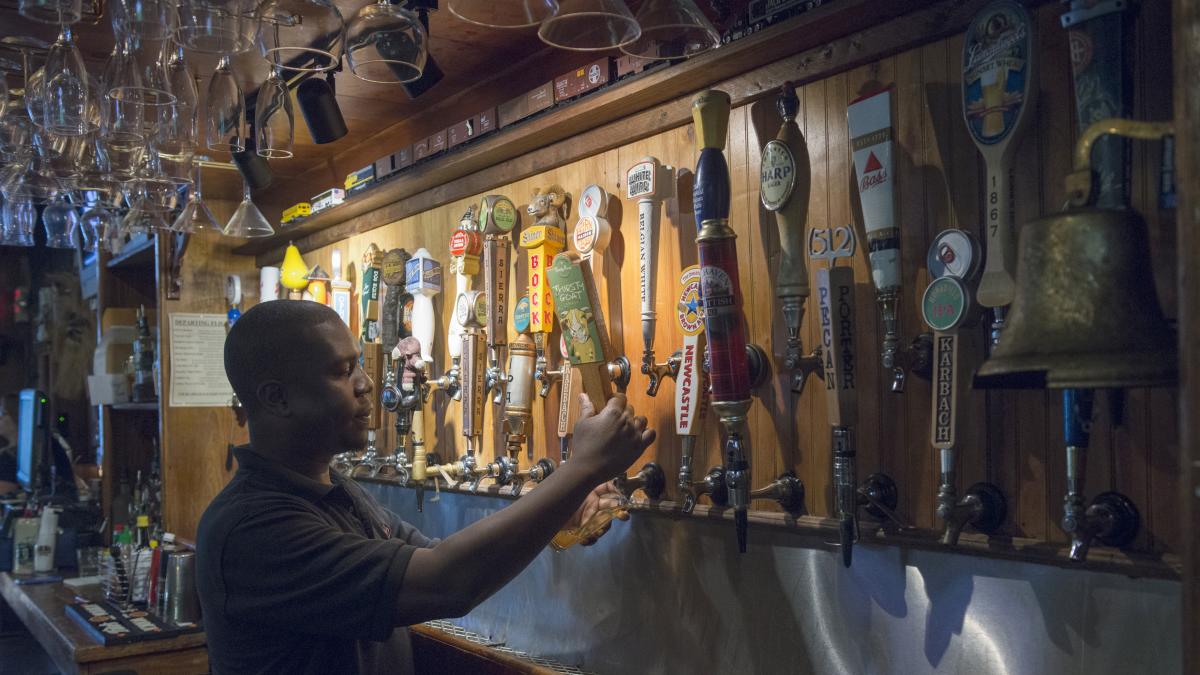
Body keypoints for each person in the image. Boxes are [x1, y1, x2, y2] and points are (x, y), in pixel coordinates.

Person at [197, 300, 655, 675]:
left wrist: (564, 500)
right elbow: (447, 582)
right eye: (342, 371)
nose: (367, 383)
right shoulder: (253, 528)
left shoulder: (331, 488)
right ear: (277, 398)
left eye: (359, 366)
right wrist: (582, 469)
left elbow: (440, 555)